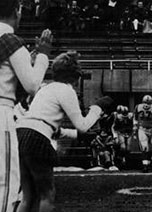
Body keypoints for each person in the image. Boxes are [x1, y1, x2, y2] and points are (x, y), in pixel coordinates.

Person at [16, 51, 115, 212]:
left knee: (28, 196)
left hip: (22, 133)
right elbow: (82, 125)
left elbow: (49, 126)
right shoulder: (66, 90)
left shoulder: (45, 88)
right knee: (47, 194)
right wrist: (97, 108)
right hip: (36, 138)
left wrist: (75, 135)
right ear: (76, 76)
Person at [0, 0, 52, 210]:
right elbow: (32, 85)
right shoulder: (10, 39)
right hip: (2, 112)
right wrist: (42, 56)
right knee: (5, 184)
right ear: (17, 11)